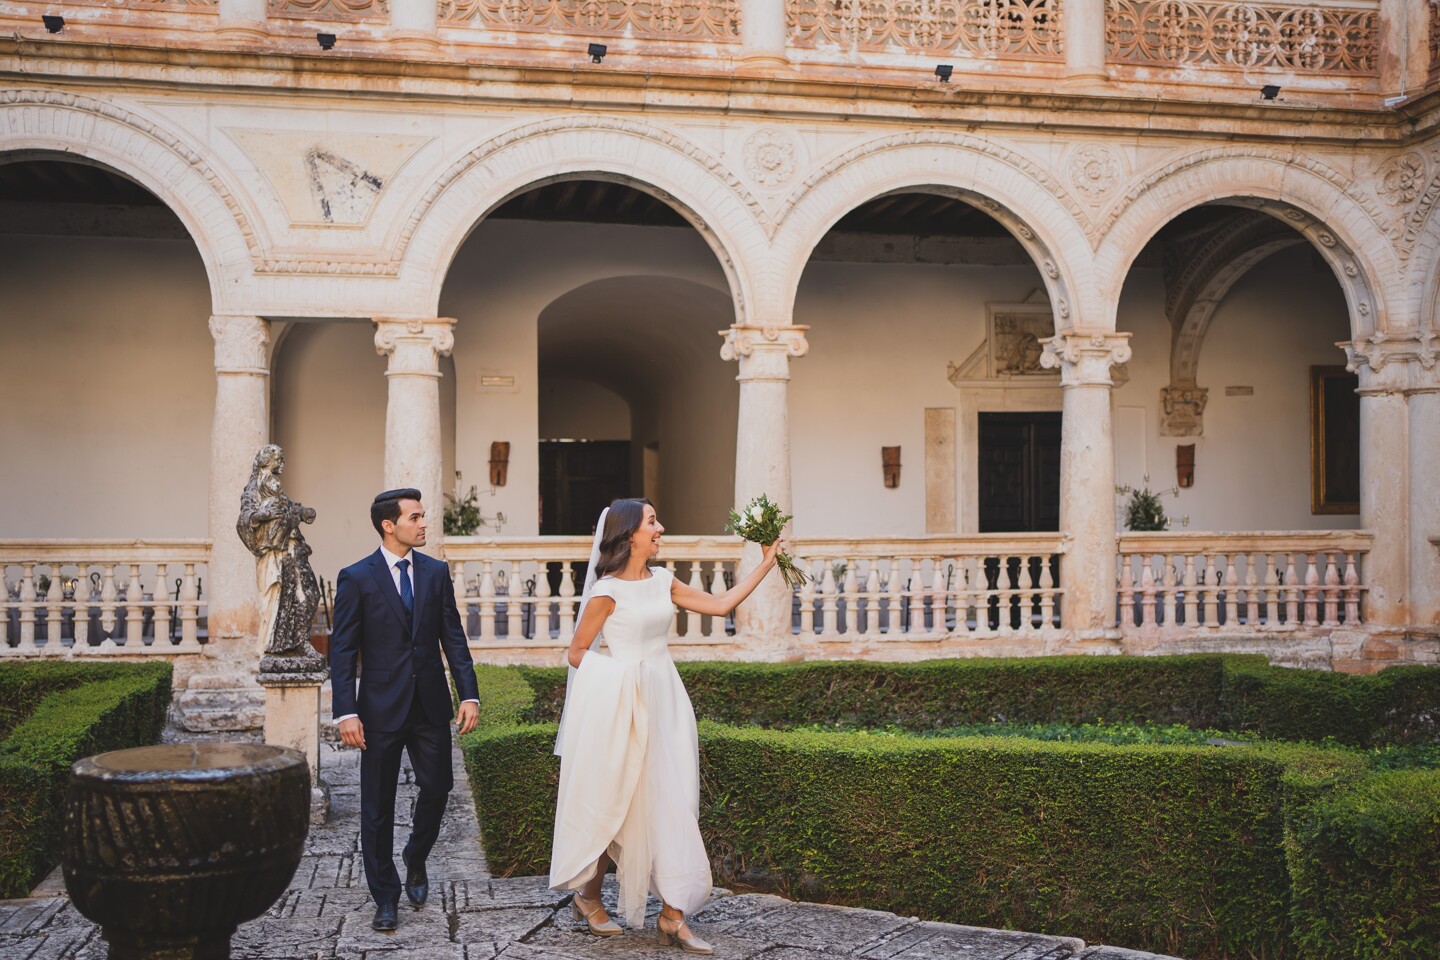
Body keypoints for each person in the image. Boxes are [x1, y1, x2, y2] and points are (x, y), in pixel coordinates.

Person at [550, 498, 782, 954]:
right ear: (628, 534)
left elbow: (720, 606)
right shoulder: (606, 592)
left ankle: (673, 916)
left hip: (667, 701)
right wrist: (621, 677)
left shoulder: (662, 580)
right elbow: (577, 654)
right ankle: (589, 897)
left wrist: (765, 564)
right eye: (652, 522)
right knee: (614, 804)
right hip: (621, 705)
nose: (661, 528)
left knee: (673, 802)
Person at [329, 488, 481, 933]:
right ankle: (386, 896)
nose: (424, 523)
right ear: (389, 525)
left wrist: (468, 694)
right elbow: (342, 652)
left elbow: (452, 636)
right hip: (376, 711)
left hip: (430, 706)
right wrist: (346, 712)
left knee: (438, 789)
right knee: (376, 807)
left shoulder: (435, 573)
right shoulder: (356, 577)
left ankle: (416, 856)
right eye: (415, 517)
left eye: (422, 516)